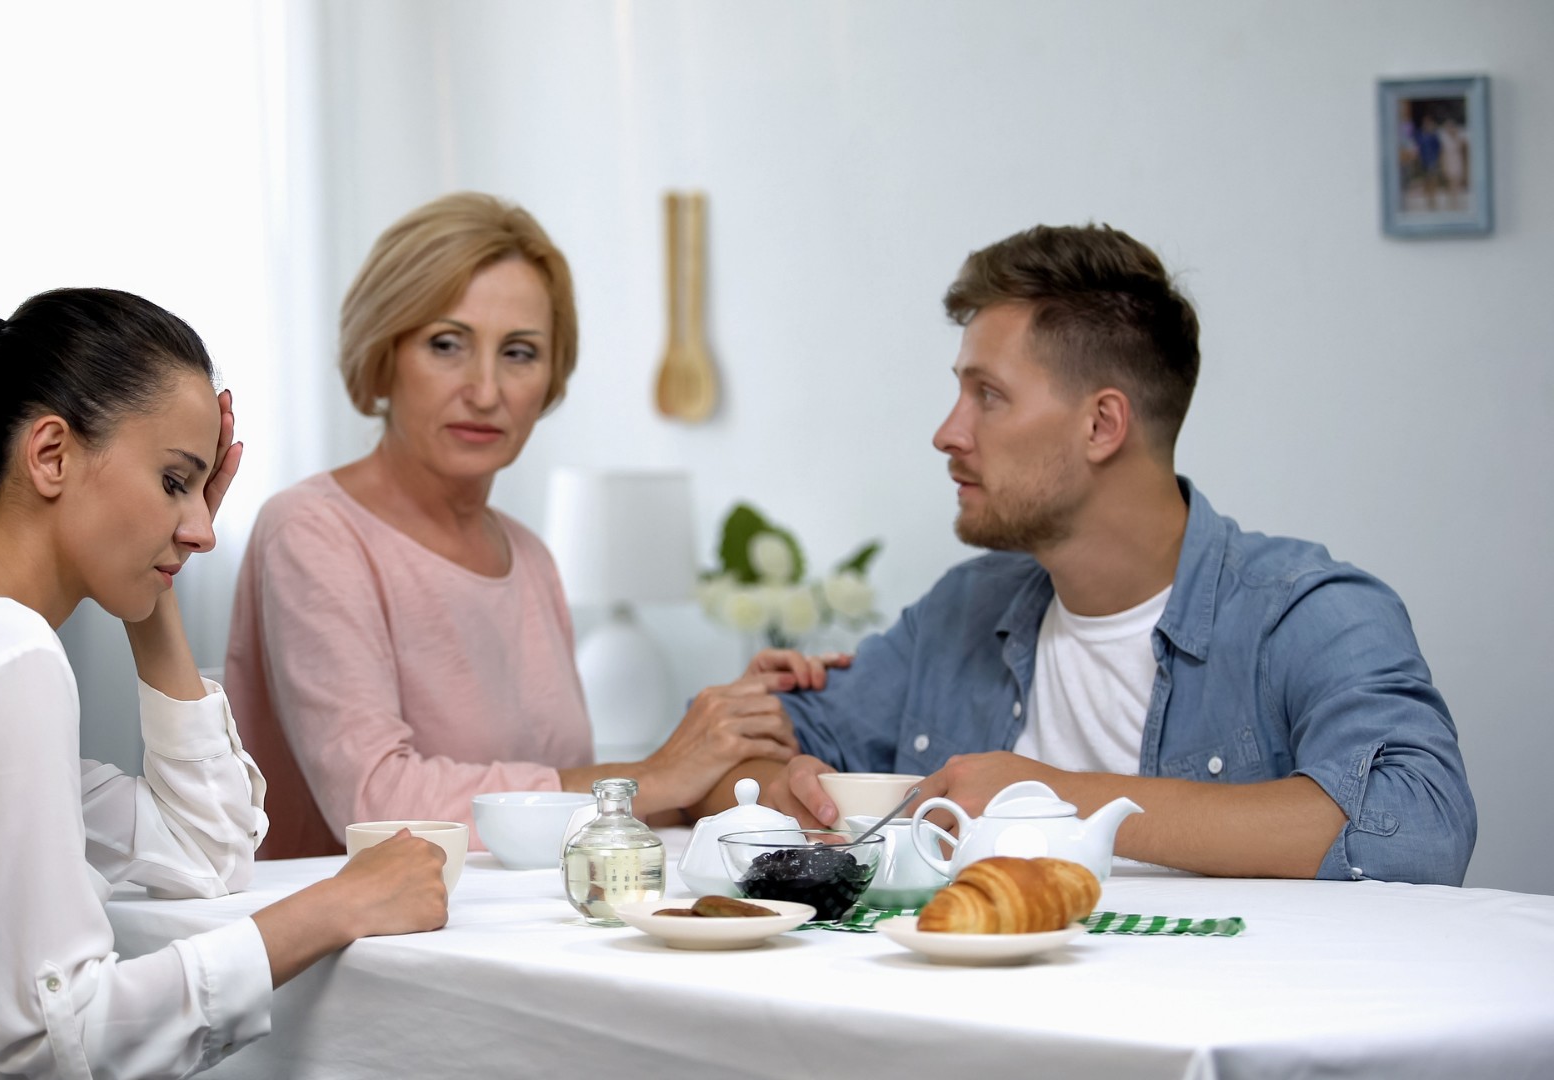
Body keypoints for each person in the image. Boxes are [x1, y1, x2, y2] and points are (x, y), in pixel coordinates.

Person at [0, 288, 448, 1080]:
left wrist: (160, 569)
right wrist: (340, 906)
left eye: (203, 492)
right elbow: (61, 1040)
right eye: (175, 481)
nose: (204, 527)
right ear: (52, 454)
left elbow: (203, 854)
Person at [699, 225, 1476, 886]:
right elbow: (731, 758)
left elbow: (1420, 826)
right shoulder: (962, 611)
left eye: (988, 395)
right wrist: (780, 791)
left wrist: (1054, 798)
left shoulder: (1311, 613)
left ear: (1103, 425)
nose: (948, 432)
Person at [225, 193, 819, 858]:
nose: (486, 390)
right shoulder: (311, 532)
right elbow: (378, 806)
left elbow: (566, 817)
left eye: (520, 353)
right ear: (383, 352)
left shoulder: (529, 557)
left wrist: (738, 725)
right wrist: (651, 777)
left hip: (520, 935)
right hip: (365, 951)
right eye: (446, 344)